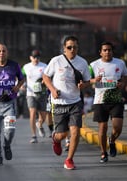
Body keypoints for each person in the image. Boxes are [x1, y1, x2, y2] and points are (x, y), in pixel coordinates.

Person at [42, 35, 91, 170]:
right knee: (62, 134)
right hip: (59, 102)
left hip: (75, 101)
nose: (72, 50)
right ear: (64, 48)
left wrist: (83, 86)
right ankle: (56, 139)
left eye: (75, 47)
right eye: (69, 47)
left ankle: (69, 159)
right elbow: (45, 76)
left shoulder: (83, 63)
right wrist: (52, 89)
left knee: (75, 131)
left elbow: (87, 81)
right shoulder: (56, 61)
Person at [89, 41, 127, 163]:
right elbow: (87, 80)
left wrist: (123, 83)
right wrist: (94, 80)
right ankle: (103, 153)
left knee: (117, 127)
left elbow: (126, 76)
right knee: (102, 128)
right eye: (105, 50)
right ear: (100, 52)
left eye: (109, 50)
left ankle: (111, 141)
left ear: (112, 51)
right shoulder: (93, 65)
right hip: (100, 100)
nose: (107, 52)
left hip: (116, 99)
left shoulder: (120, 63)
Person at [21, 50, 48, 143]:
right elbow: (20, 77)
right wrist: (21, 85)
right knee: (32, 113)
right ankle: (34, 135)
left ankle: (39, 124)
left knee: (43, 116)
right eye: (34, 57)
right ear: (30, 57)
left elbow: (48, 77)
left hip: (42, 93)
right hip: (30, 93)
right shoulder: (26, 67)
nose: (36, 59)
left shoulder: (44, 66)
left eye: (37, 57)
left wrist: (45, 82)